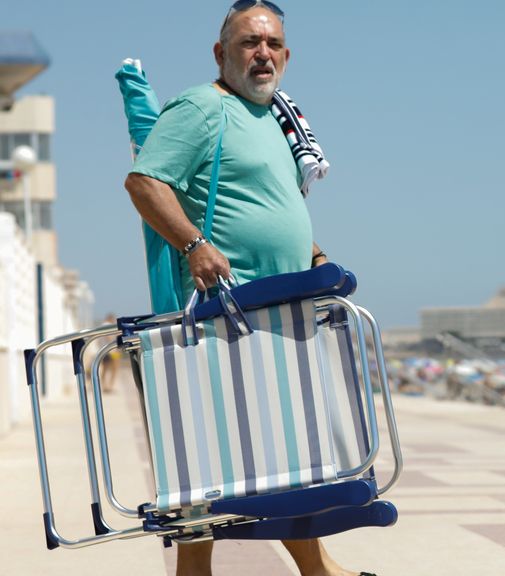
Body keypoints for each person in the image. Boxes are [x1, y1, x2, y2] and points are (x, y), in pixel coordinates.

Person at [124, 2, 370, 575]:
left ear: (286, 54)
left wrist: (314, 254)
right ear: (221, 53)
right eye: (248, 42)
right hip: (227, 319)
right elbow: (144, 181)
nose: (263, 54)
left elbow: (268, 205)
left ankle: (317, 568)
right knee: (209, 468)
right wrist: (192, 244)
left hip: (282, 320)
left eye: (273, 43)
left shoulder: (276, 118)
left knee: (286, 458)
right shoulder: (204, 107)